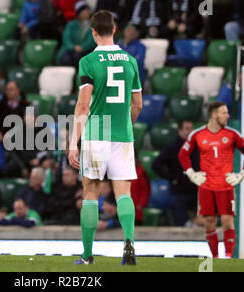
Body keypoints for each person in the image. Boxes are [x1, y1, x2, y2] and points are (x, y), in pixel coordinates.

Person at [68, 10, 143, 265]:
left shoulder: (88, 62)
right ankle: (129, 244)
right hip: (122, 135)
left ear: (92, 31)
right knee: (124, 192)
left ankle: (88, 255)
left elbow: (82, 106)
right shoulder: (130, 61)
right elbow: (138, 104)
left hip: (96, 134)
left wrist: (73, 142)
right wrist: (126, 126)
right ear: (115, 29)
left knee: (90, 192)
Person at [178, 101, 244, 259]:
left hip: (225, 185)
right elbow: (182, 155)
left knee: (227, 221)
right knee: (209, 222)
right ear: (214, 115)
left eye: (227, 112)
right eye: (224, 113)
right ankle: (215, 257)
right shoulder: (198, 135)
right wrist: (191, 173)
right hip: (206, 186)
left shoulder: (232, 134)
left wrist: (241, 174)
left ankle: (228, 257)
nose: (227, 116)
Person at [152, 120, 199, 226]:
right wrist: (172, 178)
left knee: (198, 224)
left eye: (191, 129)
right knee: (181, 223)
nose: (189, 132)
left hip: (195, 190)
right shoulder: (173, 147)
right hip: (179, 192)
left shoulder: (196, 147)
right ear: (180, 131)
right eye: (187, 129)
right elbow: (156, 165)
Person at [57, 1, 96, 68]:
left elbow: (92, 40)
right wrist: (73, 47)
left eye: (87, 11)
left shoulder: (93, 26)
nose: (86, 13)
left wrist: (82, 47)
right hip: (69, 50)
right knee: (66, 58)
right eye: (83, 11)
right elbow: (66, 38)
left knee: (78, 57)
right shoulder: (71, 24)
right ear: (78, 13)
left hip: (85, 51)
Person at [130, 152, 151, 226]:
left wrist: (141, 204)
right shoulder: (123, 172)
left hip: (137, 209)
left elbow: (146, 190)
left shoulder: (141, 172)